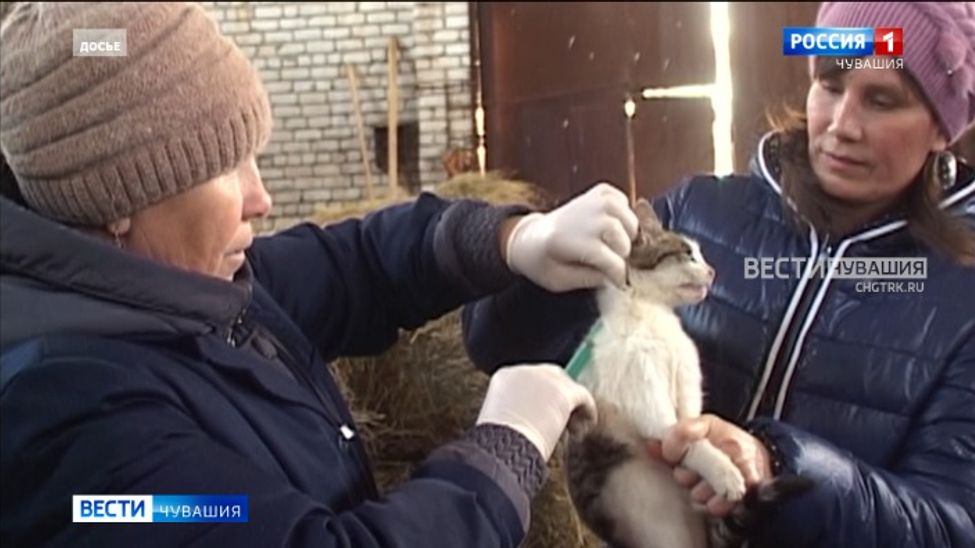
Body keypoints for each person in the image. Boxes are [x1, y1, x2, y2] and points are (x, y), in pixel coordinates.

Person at [0, 3, 644, 547]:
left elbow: (357, 265)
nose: (263, 197)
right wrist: (504, 449)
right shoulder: (78, 445)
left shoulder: (196, 288)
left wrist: (512, 239)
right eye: (225, 167)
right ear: (118, 200)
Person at [463, 2, 975, 546]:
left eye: (882, 100)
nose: (842, 125)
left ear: (942, 128)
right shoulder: (698, 215)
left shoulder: (960, 296)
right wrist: (536, 260)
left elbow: (952, 526)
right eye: (829, 83)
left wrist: (779, 466)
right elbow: (496, 343)